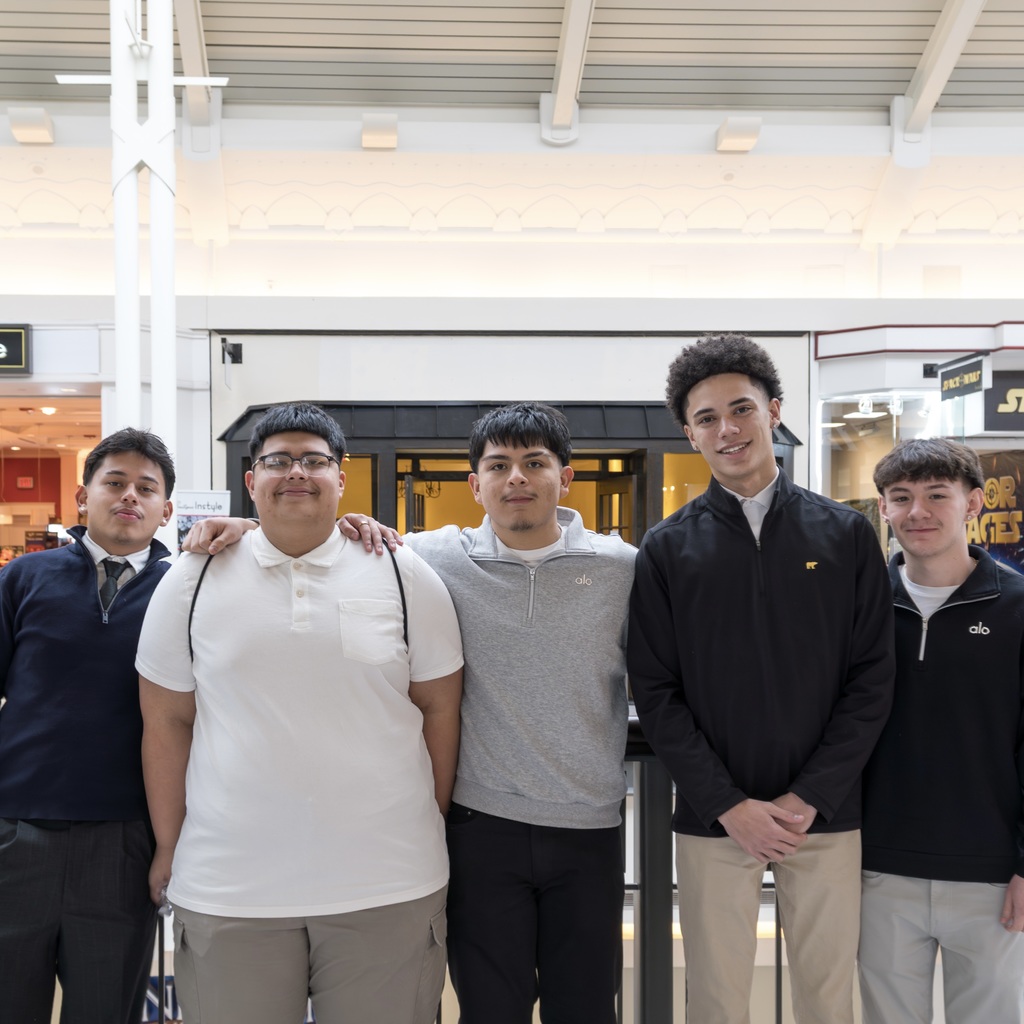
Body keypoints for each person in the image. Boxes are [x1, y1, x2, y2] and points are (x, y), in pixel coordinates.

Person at [185, 401, 636, 1024]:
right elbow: (323, 535)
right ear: (474, 484)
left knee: (587, 1007)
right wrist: (237, 528)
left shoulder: (623, 570)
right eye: (499, 465)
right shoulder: (430, 559)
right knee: (488, 1007)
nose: (517, 479)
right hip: (482, 825)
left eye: (535, 463)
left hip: (590, 825)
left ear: (567, 476)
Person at [136, 402, 463, 1024]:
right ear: (251, 478)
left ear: (342, 477)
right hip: (229, 886)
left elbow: (440, 710)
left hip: (388, 882)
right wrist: (169, 846)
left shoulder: (402, 572)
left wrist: (428, 819)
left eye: (315, 460)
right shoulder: (192, 579)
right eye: (277, 460)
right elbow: (166, 723)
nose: (296, 473)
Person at [627, 333, 895, 1024]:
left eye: (741, 409)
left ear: (774, 412)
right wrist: (727, 803)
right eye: (707, 418)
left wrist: (811, 796)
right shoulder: (666, 547)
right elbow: (655, 691)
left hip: (827, 816)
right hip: (718, 820)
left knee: (828, 996)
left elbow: (871, 677)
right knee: (716, 998)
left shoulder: (845, 535)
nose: (727, 429)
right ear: (690, 434)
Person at [0, 427, 176, 1024]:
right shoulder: (23, 579)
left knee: (106, 1011)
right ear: (83, 497)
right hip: (16, 834)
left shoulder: (186, 589)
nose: (130, 496)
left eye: (145, 488)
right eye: (115, 482)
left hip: (125, 843)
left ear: (165, 509)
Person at [859, 438, 1024, 1023]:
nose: (917, 512)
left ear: (974, 503)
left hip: (992, 877)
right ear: (884, 509)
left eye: (936, 495)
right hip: (878, 870)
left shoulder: (1018, 607)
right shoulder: (859, 606)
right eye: (900, 498)